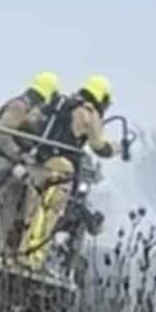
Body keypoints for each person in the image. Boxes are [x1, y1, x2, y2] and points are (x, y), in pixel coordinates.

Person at [18, 74, 116, 266]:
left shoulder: (60, 102)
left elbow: (28, 124)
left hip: (38, 163)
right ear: (101, 97)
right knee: (49, 213)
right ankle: (33, 260)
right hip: (62, 168)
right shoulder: (89, 112)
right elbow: (99, 147)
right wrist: (118, 147)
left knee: (31, 212)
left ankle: (21, 254)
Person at [0, 71, 61, 249]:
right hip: (5, 160)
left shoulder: (33, 111)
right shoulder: (18, 107)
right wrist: (20, 155)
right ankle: (0, 243)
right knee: (16, 185)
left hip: (21, 161)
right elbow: (2, 134)